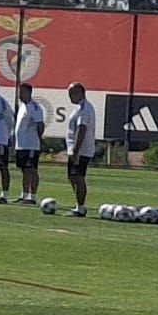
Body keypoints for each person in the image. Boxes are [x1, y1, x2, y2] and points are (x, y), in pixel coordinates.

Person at [63, 82, 96, 217]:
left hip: (81, 150)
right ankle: (78, 204)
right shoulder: (78, 108)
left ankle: (81, 208)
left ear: (80, 93)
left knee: (78, 177)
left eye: (72, 93)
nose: (70, 96)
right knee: (71, 176)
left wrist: (76, 151)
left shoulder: (84, 108)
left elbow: (82, 129)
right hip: (74, 150)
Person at [13, 82, 45, 204]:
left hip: (31, 144)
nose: (19, 95)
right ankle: (24, 194)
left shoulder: (34, 107)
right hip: (21, 145)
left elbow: (40, 124)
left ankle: (33, 196)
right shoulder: (22, 106)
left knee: (31, 169)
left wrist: (39, 139)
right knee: (24, 170)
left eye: (22, 92)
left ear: (28, 93)